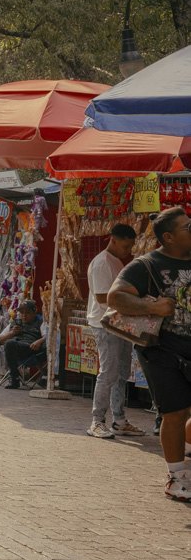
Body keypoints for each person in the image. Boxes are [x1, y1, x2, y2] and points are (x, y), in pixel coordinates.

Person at [108, 207, 191, 502]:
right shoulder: (147, 265)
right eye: (187, 227)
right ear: (168, 237)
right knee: (175, 411)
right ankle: (176, 477)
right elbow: (116, 296)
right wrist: (153, 308)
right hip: (162, 349)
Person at [88, 224, 145, 439]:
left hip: (119, 324)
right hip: (105, 325)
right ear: (112, 240)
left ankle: (119, 420)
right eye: (125, 246)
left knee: (121, 374)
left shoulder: (117, 261)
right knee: (108, 373)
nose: (128, 250)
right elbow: (103, 297)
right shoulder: (102, 263)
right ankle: (97, 421)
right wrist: (134, 301)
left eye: (130, 246)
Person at [0, 299, 45, 389]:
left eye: (27, 313)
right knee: (9, 344)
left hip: (31, 348)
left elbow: (49, 336)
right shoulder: (16, 322)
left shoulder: (40, 322)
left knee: (10, 344)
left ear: (34, 313)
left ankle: (14, 378)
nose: (24, 315)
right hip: (14, 349)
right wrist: (12, 333)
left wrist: (40, 341)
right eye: (21, 312)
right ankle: (14, 376)